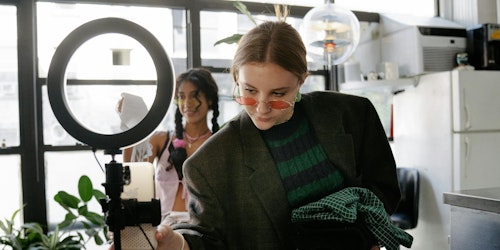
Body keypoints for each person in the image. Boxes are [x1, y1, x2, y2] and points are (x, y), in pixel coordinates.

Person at [153, 21, 412, 250]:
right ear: (235, 78)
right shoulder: (209, 163)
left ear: (301, 81)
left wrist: (363, 238)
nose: (262, 108)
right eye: (250, 91)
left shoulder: (353, 115)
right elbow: (208, 240)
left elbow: (384, 190)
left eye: (278, 94)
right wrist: (179, 244)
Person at [118, 67, 220, 215]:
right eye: (182, 96)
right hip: (162, 227)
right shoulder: (162, 140)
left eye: (194, 95)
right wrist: (132, 123)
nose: (187, 103)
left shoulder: (218, 145)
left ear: (209, 99)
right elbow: (132, 171)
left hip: (201, 231)